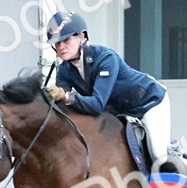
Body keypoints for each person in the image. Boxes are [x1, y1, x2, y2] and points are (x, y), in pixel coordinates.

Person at [43, 11, 177, 167]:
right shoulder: (65, 69)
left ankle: (181, 165)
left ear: (82, 37)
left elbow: (96, 104)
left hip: (149, 103)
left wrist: (66, 97)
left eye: (66, 40)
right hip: (118, 110)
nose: (61, 47)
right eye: (57, 43)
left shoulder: (105, 58)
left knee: (158, 156)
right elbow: (60, 107)